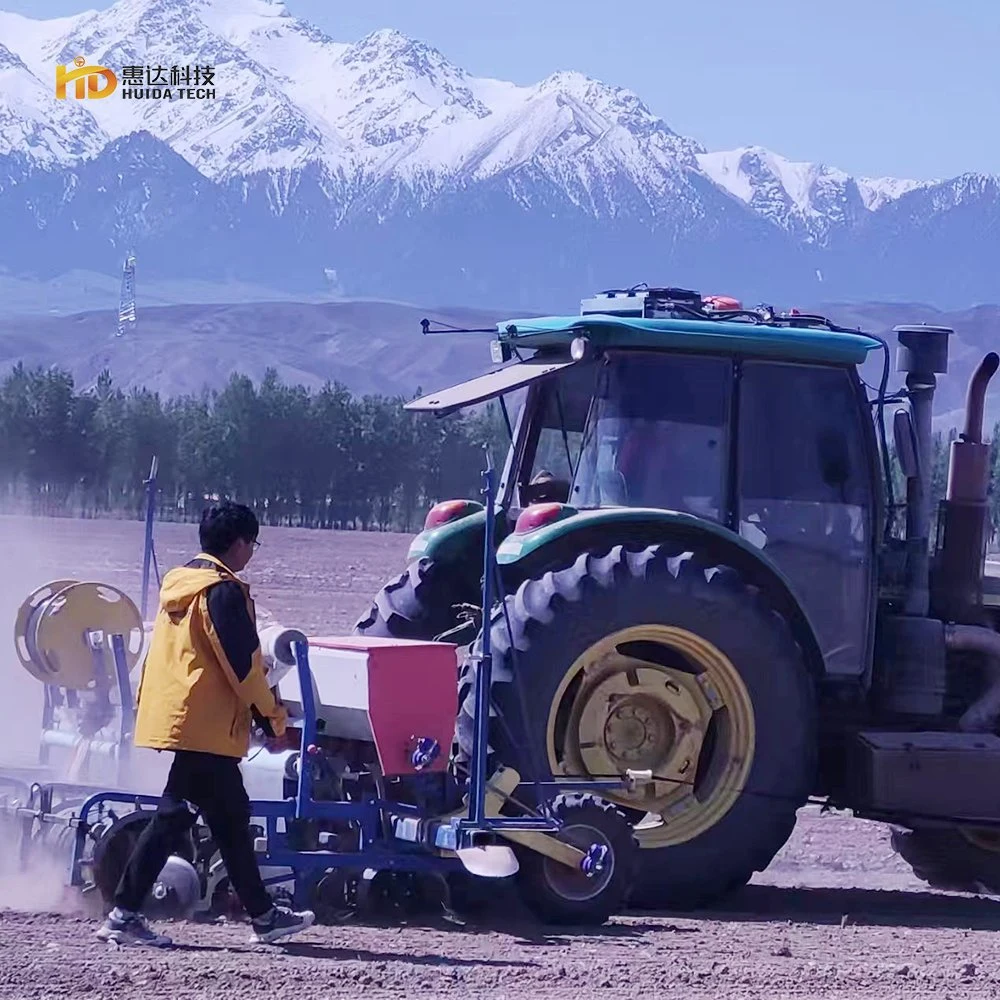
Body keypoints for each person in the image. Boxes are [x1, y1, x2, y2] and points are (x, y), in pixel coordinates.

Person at [96, 500, 316, 947]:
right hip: (206, 728)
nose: (252, 553)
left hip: (183, 719)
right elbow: (244, 667)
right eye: (252, 543)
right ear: (237, 544)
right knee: (174, 820)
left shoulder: (180, 588)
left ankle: (263, 916)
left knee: (225, 819)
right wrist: (273, 718)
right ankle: (123, 914)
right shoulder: (222, 591)